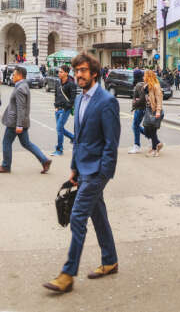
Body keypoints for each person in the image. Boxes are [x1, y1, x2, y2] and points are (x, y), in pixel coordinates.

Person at [43, 53, 119, 294]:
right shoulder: (79, 99)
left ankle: (67, 274)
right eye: (77, 71)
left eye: (84, 70)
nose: (79, 75)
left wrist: (103, 174)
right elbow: (79, 138)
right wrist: (74, 167)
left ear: (94, 73)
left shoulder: (107, 101)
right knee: (98, 216)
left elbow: (111, 143)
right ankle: (110, 260)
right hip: (83, 168)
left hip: (97, 171)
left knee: (77, 217)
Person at [0, 66, 52, 174]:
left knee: (6, 142)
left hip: (15, 122)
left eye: (14, 74)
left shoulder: (20, 88)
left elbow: (21, 108)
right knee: (26, 143)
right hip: (20, 121)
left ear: (20, 75)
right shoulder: (23, 85)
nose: (12, 76)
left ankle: (6, 166)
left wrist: (19, 125)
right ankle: (44, 160)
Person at [52, 65, 75, 155]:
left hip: (65, 110)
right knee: (60, 128)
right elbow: (56, 95)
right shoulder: (58, 83)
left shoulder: (71, 84)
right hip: (58, 109)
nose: (59, 73)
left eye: (61, 72)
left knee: (59, 128)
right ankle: (73, 138)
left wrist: (66, 107)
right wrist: (56, 106)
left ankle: (59, 149)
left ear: (66, 73)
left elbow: (73, 99)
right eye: (59, 71)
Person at [141, 69, 164, 154]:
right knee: (147, 129)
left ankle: (154, 148)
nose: (143, 77)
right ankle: (157, 144)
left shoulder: (156, 86)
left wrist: (158, 111)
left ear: (148, 76)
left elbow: (159, 99)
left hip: (154, 110)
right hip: (148, 109)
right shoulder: (146, 85)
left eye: (145, 75)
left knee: (152, 129)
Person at [128, 69, 147, 155]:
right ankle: (152, 137)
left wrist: (136, 102)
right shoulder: (140, 84)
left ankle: (137, 145)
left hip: (140, 108)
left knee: (135, 126)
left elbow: (142, 98)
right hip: (140, 108)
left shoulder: (139, 85)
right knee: (135, 126)